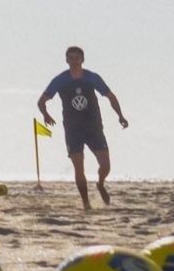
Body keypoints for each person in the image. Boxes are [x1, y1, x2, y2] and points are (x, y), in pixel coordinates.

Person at [38, 46, 128, 209]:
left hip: (93, 126)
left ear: (82, 59)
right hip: (73, 129)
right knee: (79, 167)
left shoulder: (92, 78)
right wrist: (46, 114)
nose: (74, 61)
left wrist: (120, 115)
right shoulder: (60, 80)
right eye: (70, 58)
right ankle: (86, 203)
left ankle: (100, 183)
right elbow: (41, 100)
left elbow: (110, 96)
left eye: (77, 57)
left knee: (105, 166)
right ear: (66, 60)